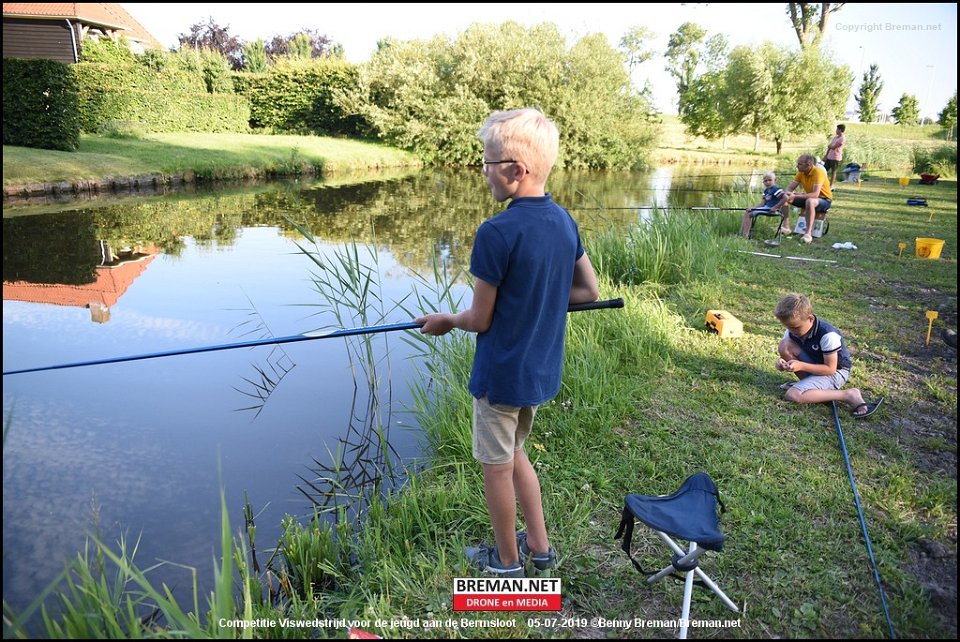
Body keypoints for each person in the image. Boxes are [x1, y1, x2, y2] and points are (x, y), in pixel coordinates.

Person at [415, 108, 600, 577]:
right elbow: (588, 291)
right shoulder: (564, 221)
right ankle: (539, 546)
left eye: (488, 163)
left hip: (500, 376)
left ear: (516, 170)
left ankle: (507, 563)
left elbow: (479, 319)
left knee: (496, 468)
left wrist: (445, 320)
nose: (483, 172)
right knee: (515, 454)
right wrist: (541, 298)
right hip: (538, 371)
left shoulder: (495, 232)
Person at [774, 293, 883, 419]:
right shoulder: (792, 330)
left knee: (792, 395)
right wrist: (783, 364)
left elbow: (830, 369)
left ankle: (849, 395)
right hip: (816, 365)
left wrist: (801, 365)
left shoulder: (827, 334)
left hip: (836, 372)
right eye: (787, 327)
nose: (791, 331)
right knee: (784, 345)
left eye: (795, 327)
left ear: (810, 319)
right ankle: (810, 387)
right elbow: (789, 347)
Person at [784, 154, 832, 244]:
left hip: (824, 200)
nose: (797, 166)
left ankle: (808, 233)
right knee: (785, 197)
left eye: (800, 164)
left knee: (810, 201)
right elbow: (790, 188)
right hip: (810, 198)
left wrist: (796, 196)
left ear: (808, 164)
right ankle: (786, 227)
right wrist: (788, 193)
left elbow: (815, 194)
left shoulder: (818, 172)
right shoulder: (801, 172)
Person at [739, 171, 790, 238]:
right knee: (747, 212)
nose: (767, 182)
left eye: (770, 180)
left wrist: (775, 207)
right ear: (763, 182)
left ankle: (745, 235)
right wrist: (753, 208)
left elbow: (786, 198)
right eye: (765, 181)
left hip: (773, 210)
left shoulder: (776, 189)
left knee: (748, 214)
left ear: (775, 180)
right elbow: (762, 203)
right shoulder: (766, 191)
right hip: (766, 208)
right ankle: (741, 233)